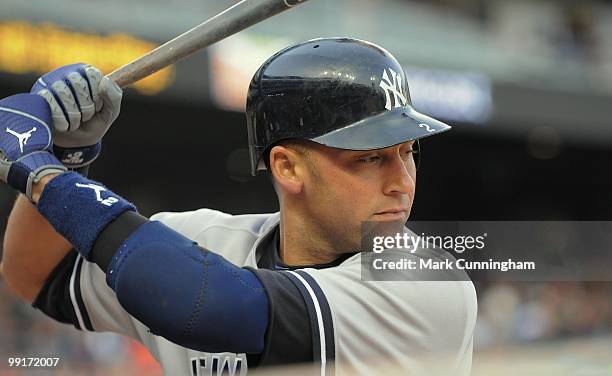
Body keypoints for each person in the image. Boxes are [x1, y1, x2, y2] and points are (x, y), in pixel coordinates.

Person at [0, 38, 477, 375]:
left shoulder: (428, 283)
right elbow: (34, 274)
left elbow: (209, 305)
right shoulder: (206, 242)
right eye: (370, 158)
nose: (402, 182)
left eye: (407, 152)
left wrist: (42, 174)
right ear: (288, 168)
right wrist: (69, 155)